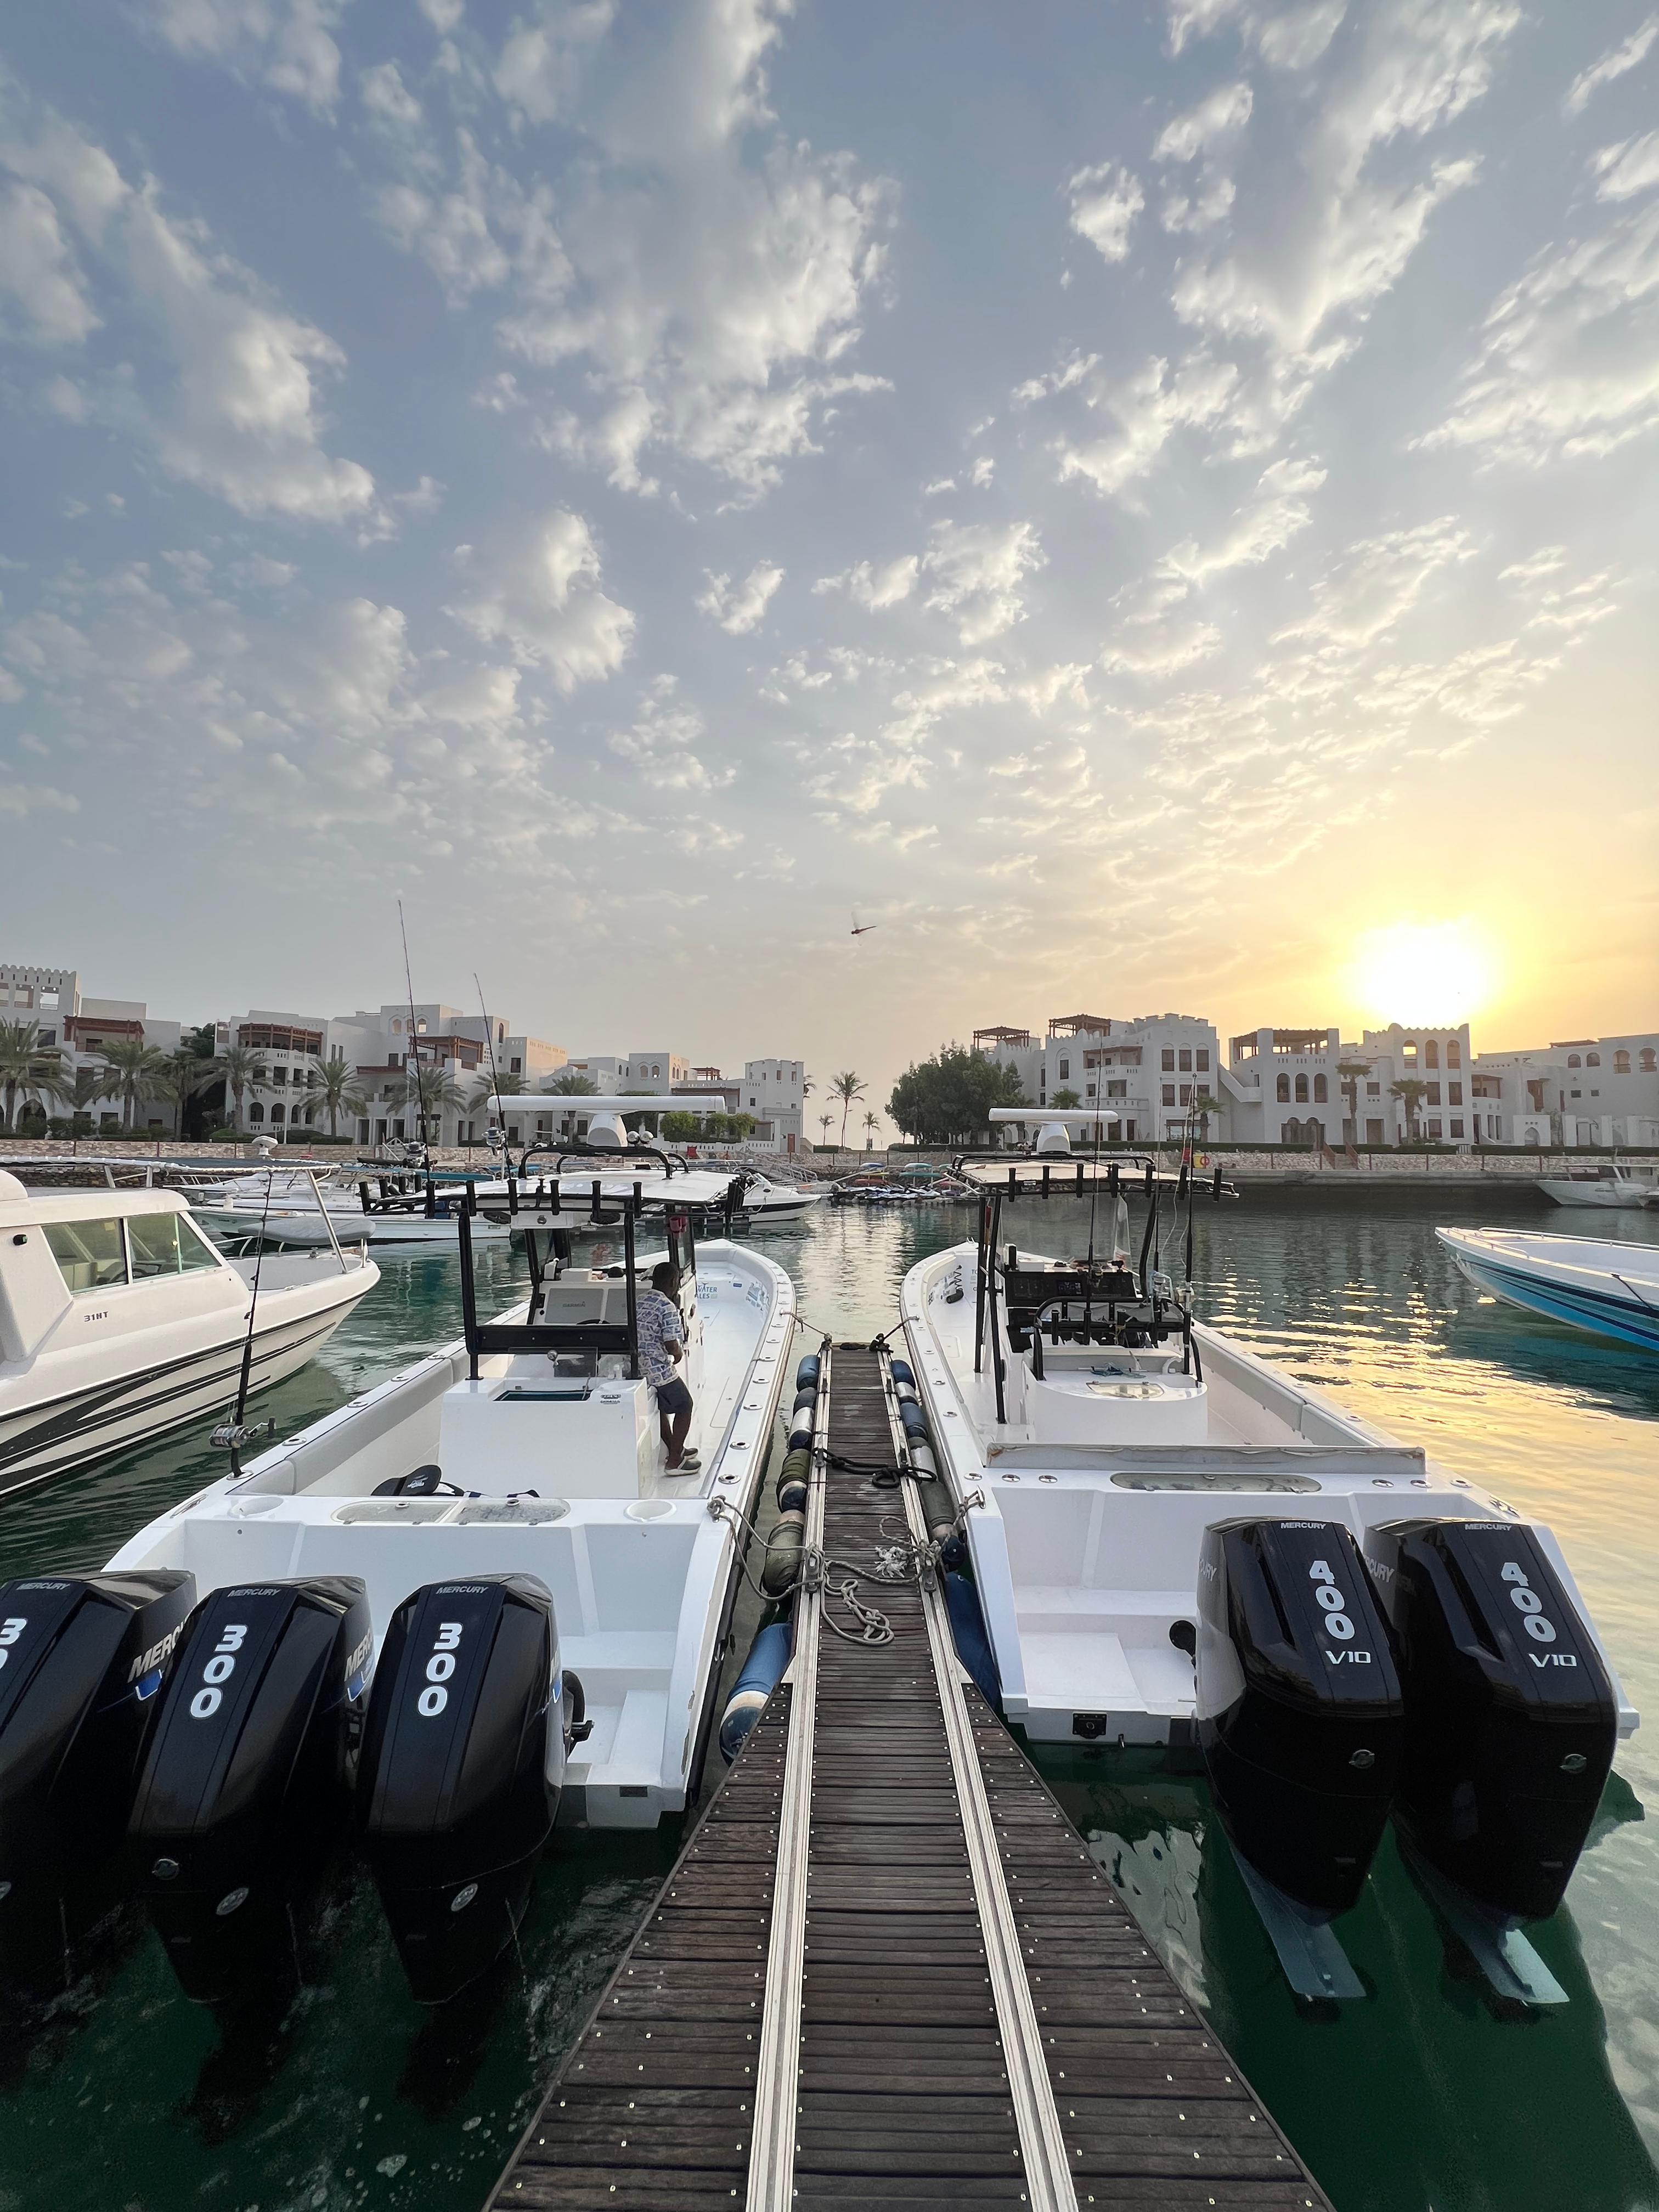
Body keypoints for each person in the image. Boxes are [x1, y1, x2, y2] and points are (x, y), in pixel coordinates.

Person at [636, 1262, 697, 1471]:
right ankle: (675, 1462)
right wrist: (679, 1354)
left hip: (638, 1368)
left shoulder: (640, 1301)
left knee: (660, 1406)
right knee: (685, 1404)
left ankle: (674, 1447)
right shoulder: (667, 1307)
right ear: (673, 1281)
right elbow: (671, 1344)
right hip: (658, 1369)